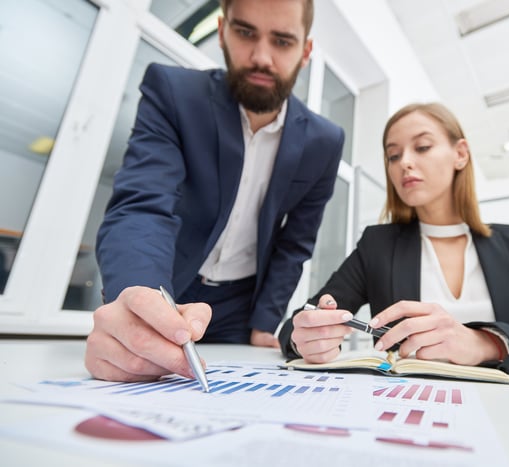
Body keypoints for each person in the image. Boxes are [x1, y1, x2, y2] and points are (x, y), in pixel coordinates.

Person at [86, 0, 344, 383]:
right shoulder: (173, 93)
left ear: (305, 51)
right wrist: (140, 297)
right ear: (222, 30)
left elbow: (295, 243)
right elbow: (143, 206)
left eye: (283, 41)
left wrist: (265, 322)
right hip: (169, 286)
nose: (262, 57)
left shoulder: (325, 141)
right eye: (245, 33)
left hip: (243, 306)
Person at [278, 102, 509, 377]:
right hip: (409, 410)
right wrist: (305, 336)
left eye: (422, 147)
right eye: (393, 155)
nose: (404, 162)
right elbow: (297, 325)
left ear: (460, 154)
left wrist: (484, 343)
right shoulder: (378, 244)